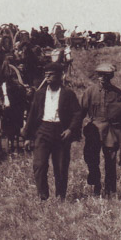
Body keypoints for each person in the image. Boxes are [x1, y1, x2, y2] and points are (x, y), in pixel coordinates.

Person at [21, 61, 82, 199]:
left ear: (60, 76)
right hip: (43, 131)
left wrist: (70, 130)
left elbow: (77, 113)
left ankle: (60, 197)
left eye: (51, 75)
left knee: (60, 167)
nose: (47, 77)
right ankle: (43, 197)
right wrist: (28, 137)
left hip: (61, 132)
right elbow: (32, 115)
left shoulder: (68, 94)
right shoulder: (40, 94)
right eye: (46, 75)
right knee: (39, 165)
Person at [80, 63, 121, 196]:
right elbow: (80, 112)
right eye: (100, 75)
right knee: (91, 160)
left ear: (110, 77)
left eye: (106, 76)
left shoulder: (117, 93)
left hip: (110, 131)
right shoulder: (90, 92)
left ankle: (110, 191)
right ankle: (96, 185)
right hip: (94, 130)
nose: (102, 78)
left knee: (110, 161)